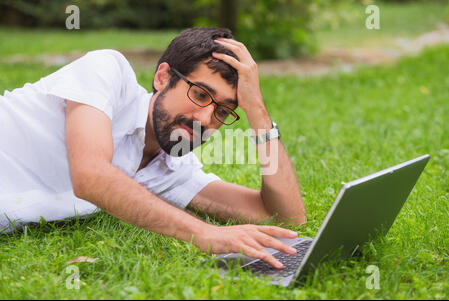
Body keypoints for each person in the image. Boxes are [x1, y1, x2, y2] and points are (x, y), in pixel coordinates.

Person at [0, 27, 306, 269]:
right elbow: (91, 175)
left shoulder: (169, 171)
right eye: (200, 94)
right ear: (162, 77)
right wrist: (206, 233)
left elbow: (284, 217)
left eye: (222, 112)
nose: (205, 119)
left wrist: (258, 111)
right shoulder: (107, 71)